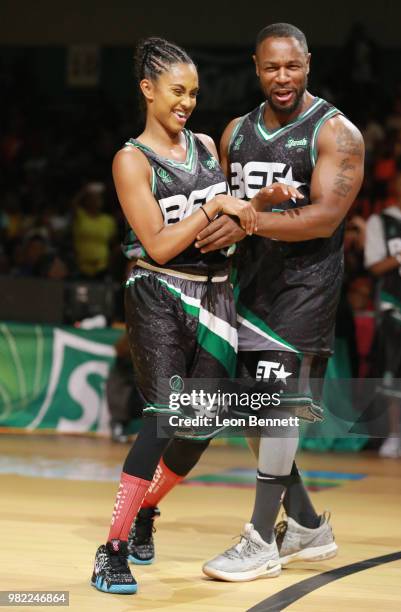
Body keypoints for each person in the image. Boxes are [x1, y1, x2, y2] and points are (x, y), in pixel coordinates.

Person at [127, 23, 365, 582]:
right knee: (258, 415)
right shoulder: (235, 132)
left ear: (309, 62)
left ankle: (260, 538)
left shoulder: (337, 133)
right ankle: (306, 524)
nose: (282, 78)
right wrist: (227, 223)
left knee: (276, 403)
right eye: (270, 68)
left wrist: (250, 221)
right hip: (244, 290)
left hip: (305, 289)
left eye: (292, 66)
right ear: (255, 67)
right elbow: (225, 206)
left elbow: (325, 218)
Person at [90, 36, 290, 595]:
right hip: (158, 291)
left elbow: (227, 222)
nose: (187, 102)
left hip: (218, 295)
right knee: (162, 416)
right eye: (177, 91)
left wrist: (261, 206)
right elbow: (157, 243)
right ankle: (112, 549)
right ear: (147, 90)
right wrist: (211, 205)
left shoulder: (205, 144)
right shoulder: (132, 159)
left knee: (199, 426)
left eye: (195, 92)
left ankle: (148, 509)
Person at [365, 171, 401, 458]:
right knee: (395, 375)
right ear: (398, 190)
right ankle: (395, 436)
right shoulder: (380, 221)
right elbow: (375, 266)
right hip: (395, 307)